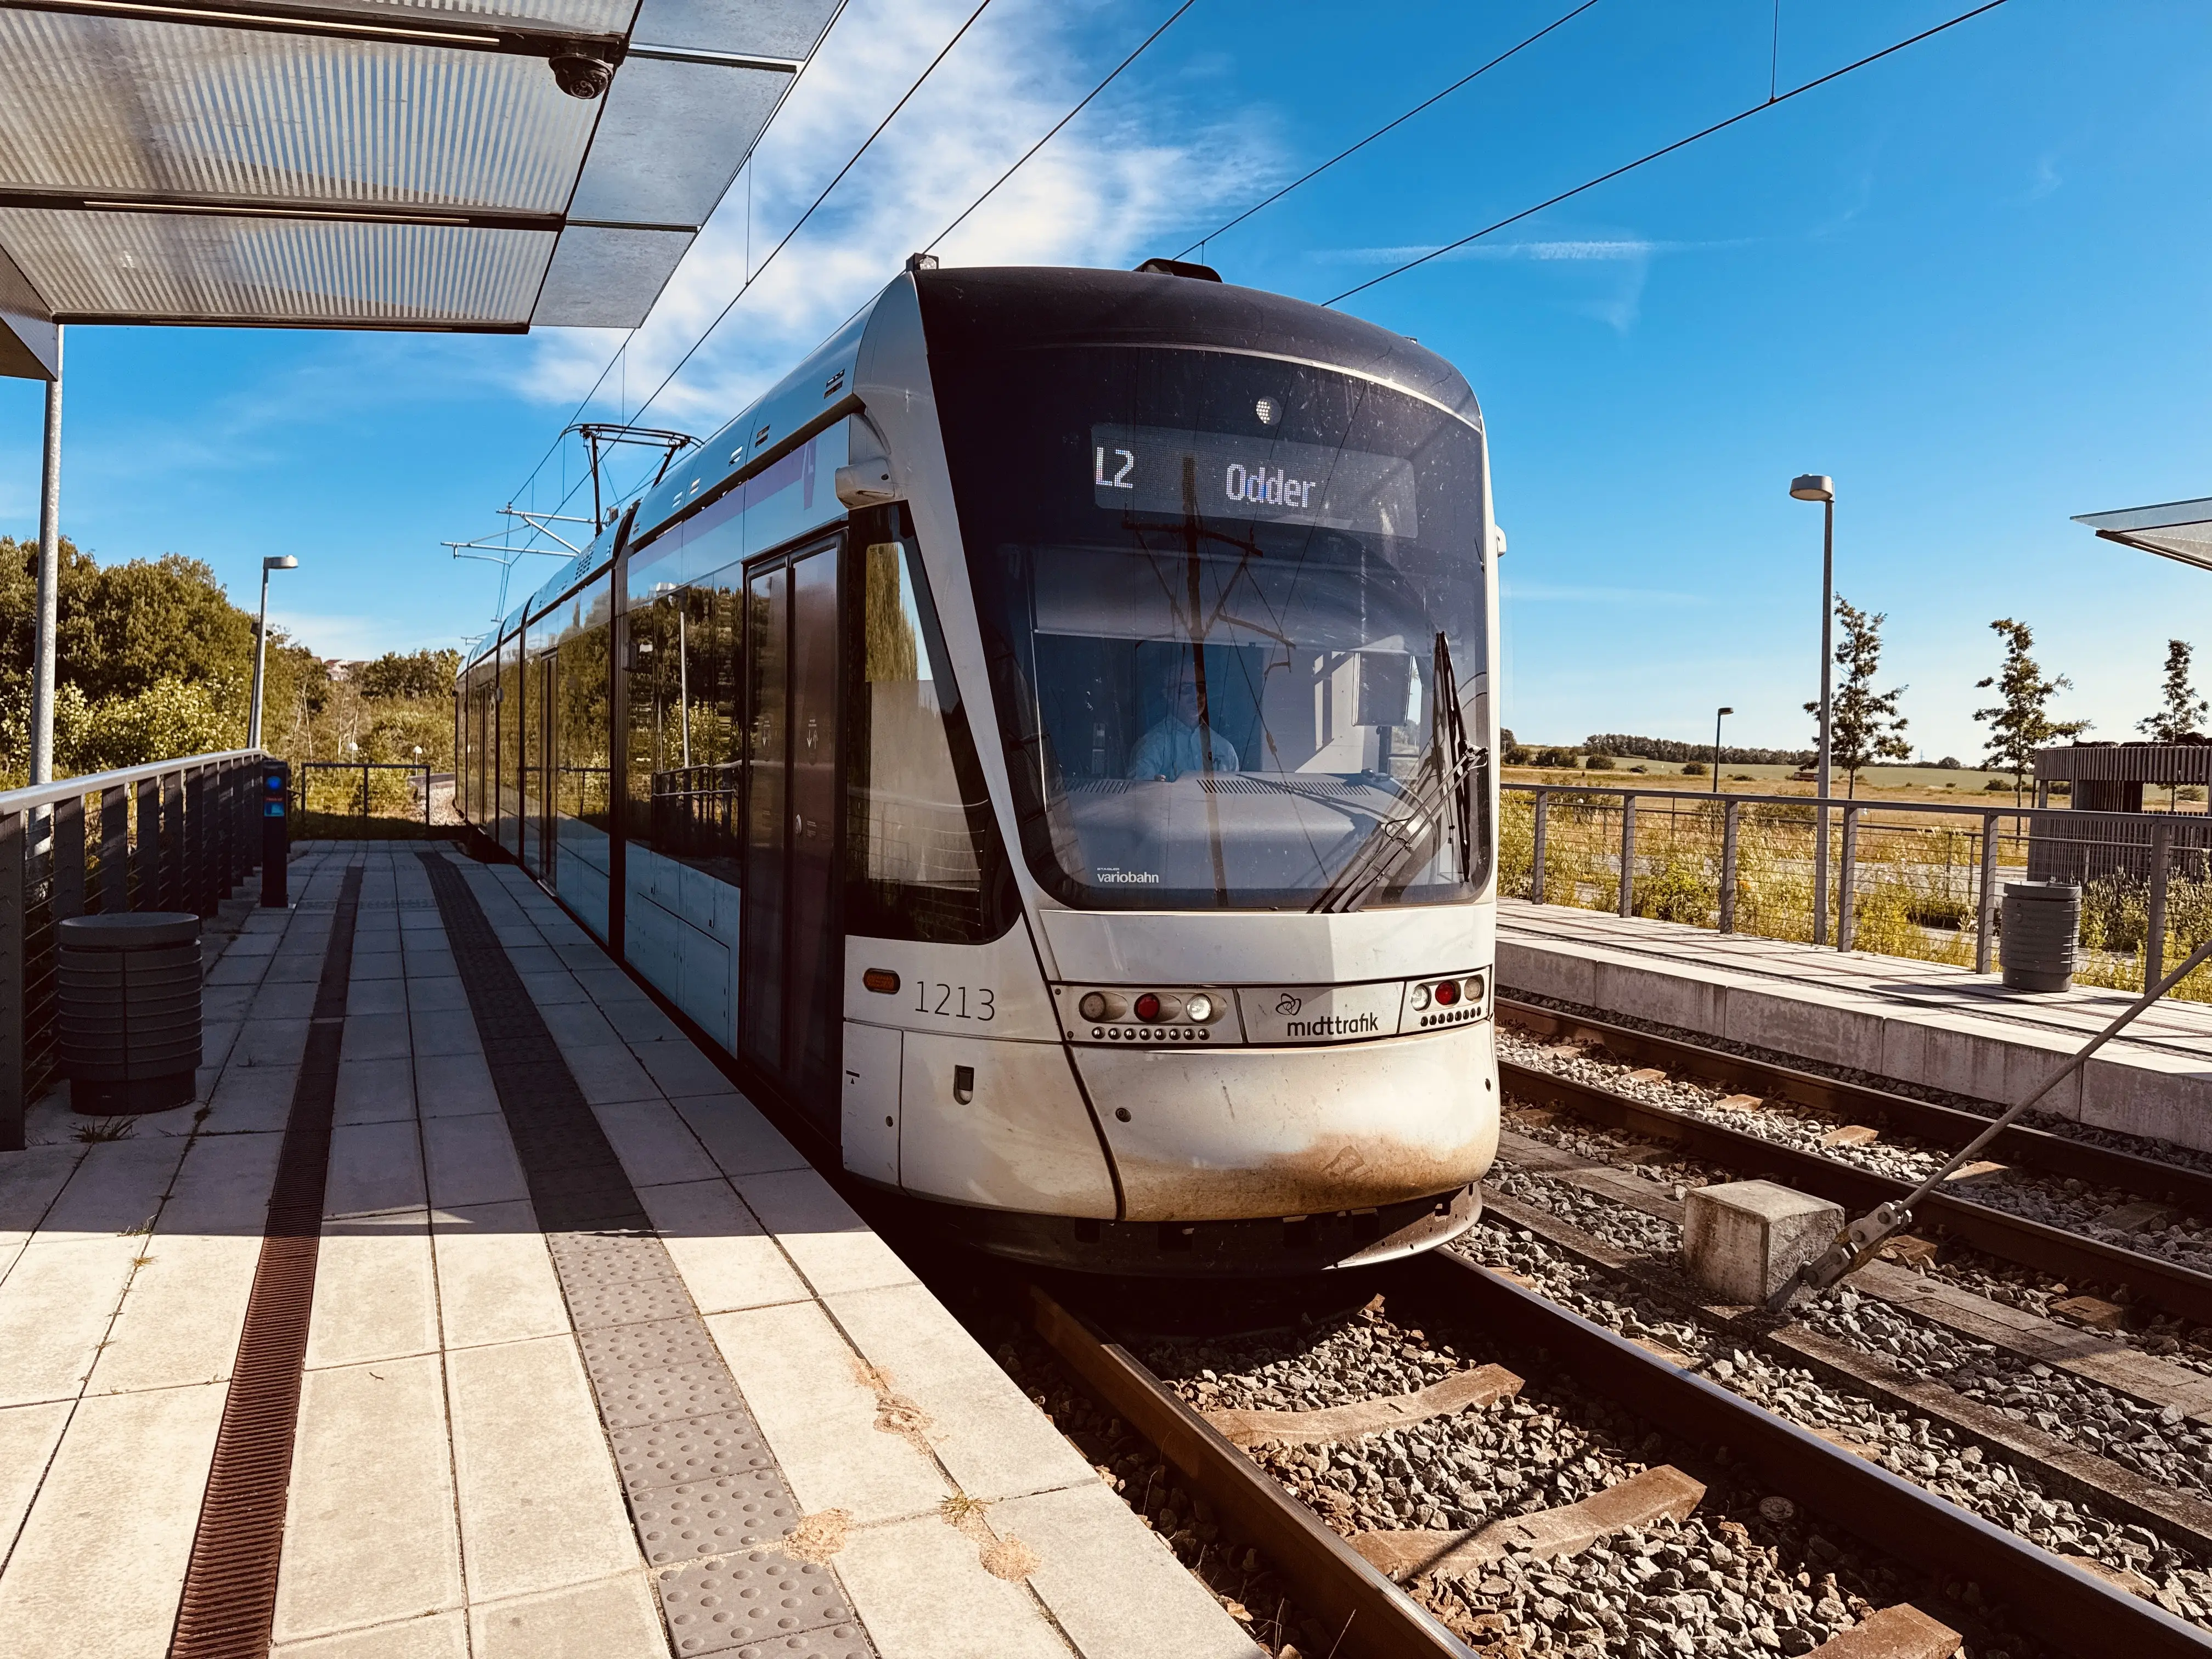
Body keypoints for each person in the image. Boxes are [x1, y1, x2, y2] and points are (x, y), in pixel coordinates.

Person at [1127, 657, 1238, 780]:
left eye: (1200, 687)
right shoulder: (1151, 747)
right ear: (1168, 695)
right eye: (1186, 688)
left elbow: (1235, 797)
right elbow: (1141, 795)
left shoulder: (1225, 750)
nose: (1195, 695)